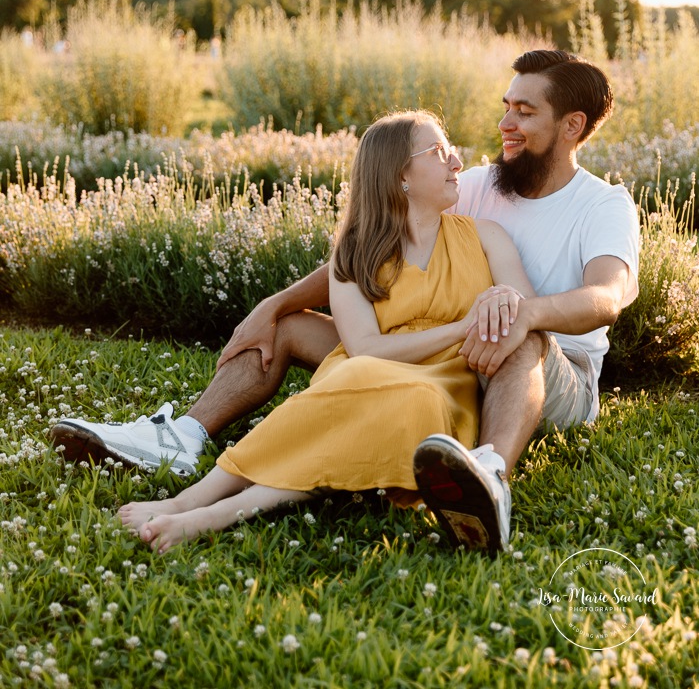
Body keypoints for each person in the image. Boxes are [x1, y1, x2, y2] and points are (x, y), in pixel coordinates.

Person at [52, 49, 639, 554]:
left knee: (518, 332)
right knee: (292, 330)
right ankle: (183, 438)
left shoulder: (601, 205)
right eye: (506, 105)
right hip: (438, 348)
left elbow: (609, 294)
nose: (504, 121)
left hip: (543, 366)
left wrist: (523, 311)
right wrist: (274, 304)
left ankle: (491, 476)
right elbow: (373, 248)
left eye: (525, 111)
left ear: (571, 125)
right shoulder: (478, 182)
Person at [117, 109, 538, 553]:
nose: (457, 161)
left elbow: (527, 310)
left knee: (418, 401)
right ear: (401, 177)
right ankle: (196, 501)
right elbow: (366, 349)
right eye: (438, 151)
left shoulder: (486, 236)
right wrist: (462, 326)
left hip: (447, 386)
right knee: (355, 384)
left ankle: (212, 511)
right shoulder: (353, 254)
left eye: (450, 149)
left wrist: (503, 301)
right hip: (368, 372)